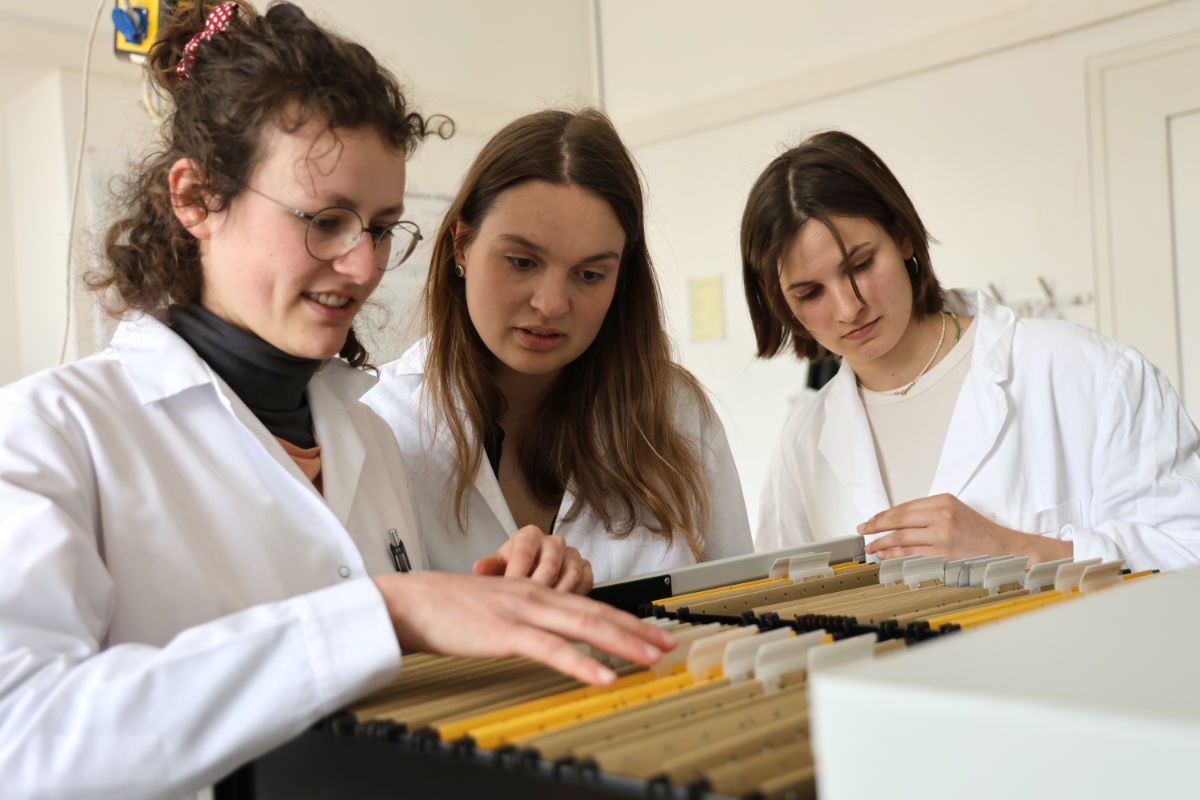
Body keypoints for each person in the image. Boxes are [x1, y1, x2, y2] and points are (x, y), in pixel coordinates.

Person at [0, 5, 674, 798]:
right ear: (195, 199)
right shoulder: (51, 431)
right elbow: (24, 742)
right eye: (324, 221)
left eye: (382, 228)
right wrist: (383, 614)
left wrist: (500, 604)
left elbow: (382, 699)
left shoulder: (365, 439)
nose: (361, 267)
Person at [741, 129, 1200, 572]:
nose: (847, 309)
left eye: (860, 265)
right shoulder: (802, 445)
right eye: (809, 293)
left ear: (902, 236)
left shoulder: (1088, 373)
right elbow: (782, 605)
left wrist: (1015, 548)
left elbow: (1187, 551)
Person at [364, 109, 752, 583]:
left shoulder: (674, 414)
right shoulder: (379, 422)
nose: (550, 305)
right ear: (461, 245)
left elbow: (739, 600)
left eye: (589, 274)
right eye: (522, 262)